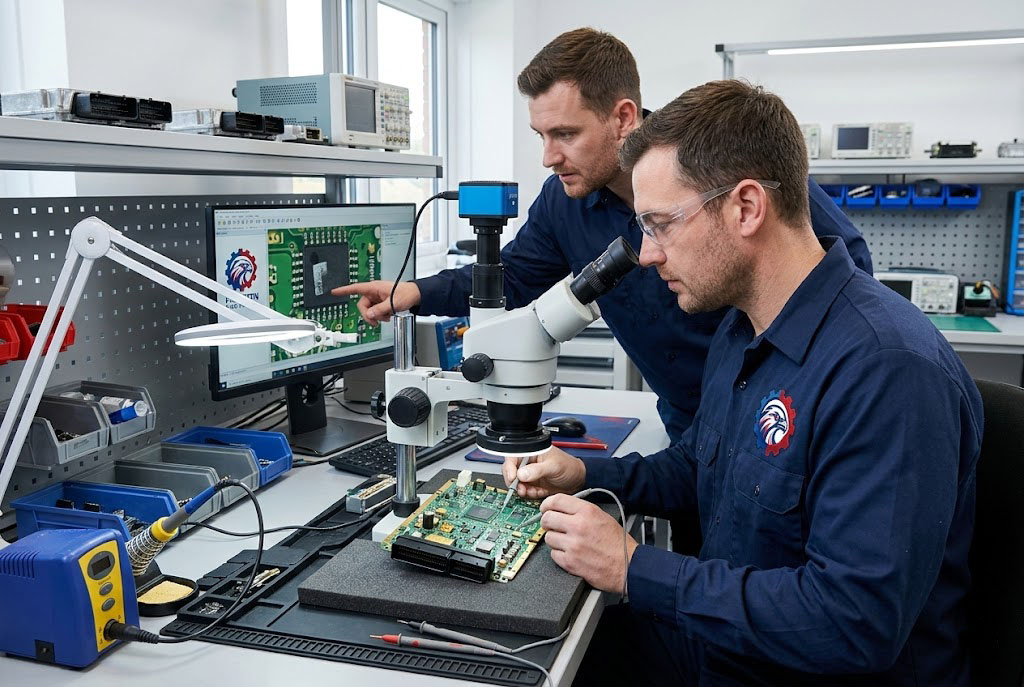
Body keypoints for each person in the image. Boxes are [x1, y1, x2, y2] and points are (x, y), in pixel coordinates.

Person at [503, 80, 982, 685]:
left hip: (815, 670)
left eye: (659, 225)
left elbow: (852, 623)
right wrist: (585, 474)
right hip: (730, 648)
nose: (646, 255)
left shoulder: (887, 371)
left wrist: (632, 567)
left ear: (747, 207)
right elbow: (699, 467)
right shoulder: (740, 328)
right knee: (516, 659)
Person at [332, 28, 872, 446]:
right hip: (687, 421)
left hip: (770, 417)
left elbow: (837, 261)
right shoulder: (562, 202)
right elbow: (516, 276)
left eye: (565, 134)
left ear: (623, 117)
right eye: (541, 136)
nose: (549, 156)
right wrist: (415, 293)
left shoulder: (711, 158)